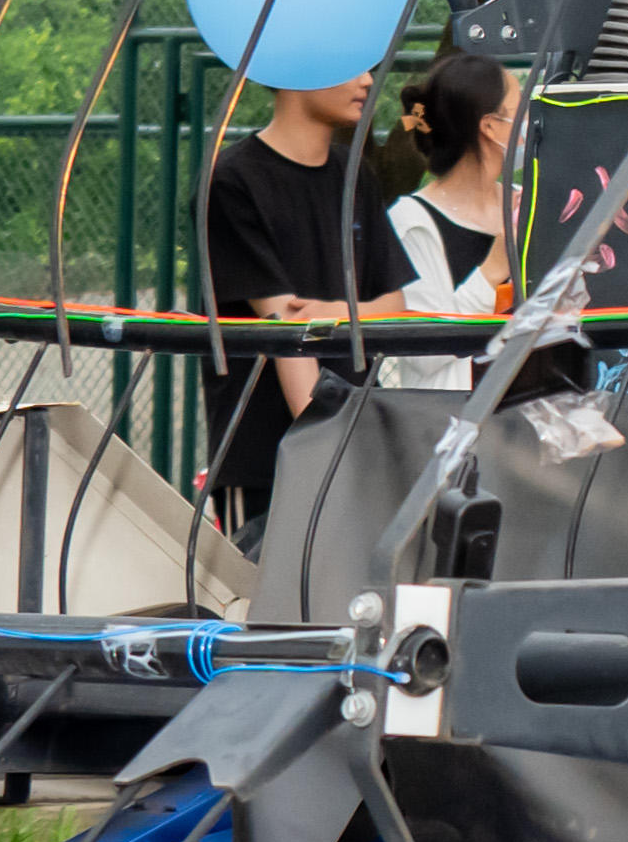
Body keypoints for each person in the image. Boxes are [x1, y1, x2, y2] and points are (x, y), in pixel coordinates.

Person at [194, 68, 383, 536]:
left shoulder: (356, 175)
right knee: (263, 600)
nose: (365, 81)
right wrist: (325, 443)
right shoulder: (232, 181)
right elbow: (285, 334)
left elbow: (393, 302)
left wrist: (329, 313)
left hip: (352, 445)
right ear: (298, 65)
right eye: (349, 65)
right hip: (269, 459)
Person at [370, 50, 521, 389]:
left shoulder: (525, 201)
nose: (531, 124)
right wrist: (492, 270)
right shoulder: (411, 222)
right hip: (454, 422)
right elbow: (424, 353)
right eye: (520, 111)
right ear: (490, 126)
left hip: (535, 408)